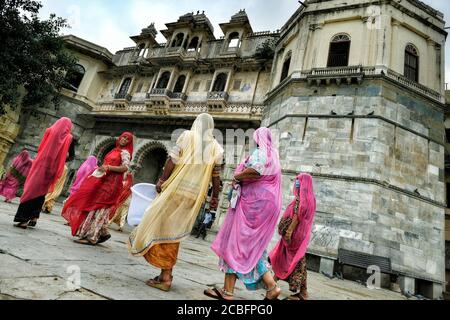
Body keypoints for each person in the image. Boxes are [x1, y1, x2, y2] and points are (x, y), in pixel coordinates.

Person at [128, 113, 223, 292]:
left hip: (175, 190)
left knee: (157, 224)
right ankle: (165, 272)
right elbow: (216, 177)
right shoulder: (216, 148)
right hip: (194, 197)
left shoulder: (187, 136)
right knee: (174, 231)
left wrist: (162, 180)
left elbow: (172, 160)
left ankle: (165, 276)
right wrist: (215, 198)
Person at [206, 127, 282, 301]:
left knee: (236, 244)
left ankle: (228, 292)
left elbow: (256, 171)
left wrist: (238, 176)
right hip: (264, 207)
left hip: (253, 206)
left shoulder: (261, 153)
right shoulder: (274, 157)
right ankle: (271, 287)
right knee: (251, 247)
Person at [62, 132, 133, 245]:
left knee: (99, 206)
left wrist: (108, 167)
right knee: (97, 206)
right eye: (123, 137)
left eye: (127, 139)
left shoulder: (125, 152)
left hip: (112, 183)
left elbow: (125, 167)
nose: (124, 139)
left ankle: (92, 236)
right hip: (103, 180)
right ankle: (102, 232)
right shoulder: (115, 150)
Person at [14, 118, 74, 229]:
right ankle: (34, 217)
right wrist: (60, 160)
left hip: (40, 165)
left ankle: (23, 220)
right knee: (42, 192)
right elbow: (71, 156)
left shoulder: (49, 131)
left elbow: (41, 147)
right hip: (53, 169)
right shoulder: (69, 138)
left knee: (31, 190)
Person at [269, 173, 316, 301]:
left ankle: (273, 284)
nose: (296, 182)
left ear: (303, 183)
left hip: (294, 235)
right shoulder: (311, 198)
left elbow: (297, 215)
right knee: (293, 259)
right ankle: (275, 282)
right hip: (301, 235)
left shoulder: (302, 199)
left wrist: (289, 232)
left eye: (298, 180)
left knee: (294, 260)